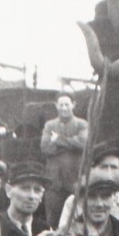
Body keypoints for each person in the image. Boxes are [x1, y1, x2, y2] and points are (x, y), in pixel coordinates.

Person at [57, 142, 119, 229]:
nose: (109, 172)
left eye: (113, 167)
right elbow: (64, 232)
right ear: (92, 170)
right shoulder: (73, 201)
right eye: (104, 167)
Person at [40, 92, 89, 226]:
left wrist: (57, 140)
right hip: (54, 183)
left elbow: (83, 143)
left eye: (67, 104)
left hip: (75, 181)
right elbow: (45, 147)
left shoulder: (82, 124)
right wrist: (71, 144)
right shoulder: (50, 125)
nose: (64, 108)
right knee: (52, 221)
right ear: (56, 105)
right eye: (61, 105)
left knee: (78, 219)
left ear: (73, 105)